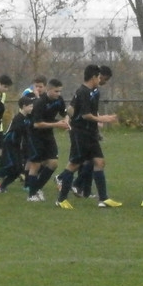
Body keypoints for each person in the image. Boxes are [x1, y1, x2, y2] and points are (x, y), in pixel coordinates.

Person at [56, 64, 121, 208]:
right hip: (80, 133)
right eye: (99, 77)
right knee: (74, 165)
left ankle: (103, 199)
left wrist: (97, 129)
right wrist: (103, 119)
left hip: (91, 134)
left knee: (99, 162)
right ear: (93, 77)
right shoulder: (82, 92)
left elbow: (91, 112)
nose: (100, 79)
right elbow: (86, 115)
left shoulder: (94, 91)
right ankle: (61, 199)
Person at [26, 78, 69, 202]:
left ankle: (37, 188)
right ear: (48, 90)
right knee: (36, 164)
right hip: (35, 135)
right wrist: (57, 125)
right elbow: (37, 124)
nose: (59, 94)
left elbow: (65, 113)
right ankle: (31, 195)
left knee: (53, 163)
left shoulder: (59, 100)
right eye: (56, 91)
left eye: (60, 91)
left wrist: (66, 120)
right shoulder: (40, 103)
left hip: (48, 135)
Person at [0, 95, 36, 193]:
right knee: (12, 168)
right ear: (24, 106)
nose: (32, 108)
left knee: (18, 170)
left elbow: (26, 135)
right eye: (30, 106)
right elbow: (11, 135)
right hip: (9, 146)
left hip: (17, 147)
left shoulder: (26, 118)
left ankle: (1, 187)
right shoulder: (18, 119)